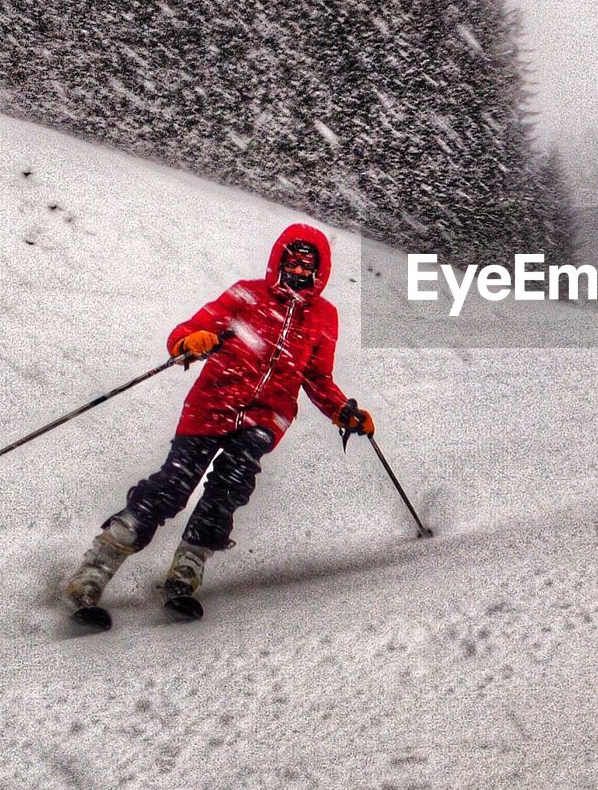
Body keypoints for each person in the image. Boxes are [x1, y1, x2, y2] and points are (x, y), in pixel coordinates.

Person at [63, 224, 373, 617]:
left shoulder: (324, 317)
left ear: (319, 271)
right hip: (211, 406)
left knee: (228, 489)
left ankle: (185, 573)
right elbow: (191, 329)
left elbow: (316, 377)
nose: (297, 271)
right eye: (291, 262)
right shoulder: (247, 294)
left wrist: (342, 410)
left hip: (265, 417)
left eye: (306, 266)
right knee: (173, 487)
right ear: (278, 261)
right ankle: (93, 571)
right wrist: (189, 342)